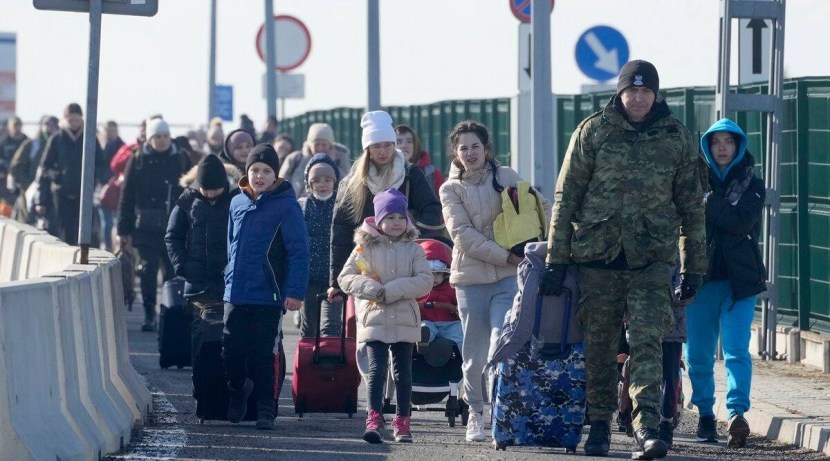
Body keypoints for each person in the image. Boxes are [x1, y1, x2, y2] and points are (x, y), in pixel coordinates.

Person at [540, 59, 706, 459]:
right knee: (599, 349)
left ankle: (648, 427)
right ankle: (598, 426)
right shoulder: (593, 131)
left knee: (648, 342)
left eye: (645, 91)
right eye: (631, 91)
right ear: (619, 92)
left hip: (650, 261)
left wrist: (694, 266)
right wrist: (556, 258)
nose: (638, 98)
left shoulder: (676, 138)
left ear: (656, 94)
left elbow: (692, 208)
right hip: (598, 259)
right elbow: (566, 197)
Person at [439, 120, 551, 443]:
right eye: (463, 148)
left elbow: (538, 208)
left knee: (502, 342)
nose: (470, 153)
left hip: (507, 278)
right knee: (473, 353)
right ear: (456, 154)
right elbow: (463, 237)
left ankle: (502, 411)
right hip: (470, 279)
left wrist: (557, 231)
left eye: (476, 146)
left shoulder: (507, 177)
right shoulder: (450, 189)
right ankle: (475, 411)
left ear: (487, 149)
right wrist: (507, 256)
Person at [684, 118, 766, 449]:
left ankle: (736, 414)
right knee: (699, 354)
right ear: (707, 147)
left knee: (735, 350)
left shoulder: (752, 184)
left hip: (739, 283)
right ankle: (705, 413)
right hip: (699, 281)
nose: (721, 147)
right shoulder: (690, 183)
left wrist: (706, 201)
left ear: (738, 146)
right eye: (715, 142)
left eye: (728, 142)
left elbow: (739, 221)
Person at [223, 144, 309, 430]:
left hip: (269, 295)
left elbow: (299, 251)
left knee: (264, 354)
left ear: (275, 175)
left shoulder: (287, 206)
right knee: (231, 351)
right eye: (255, 170)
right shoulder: (237, 202)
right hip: (236, 292)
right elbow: (231, 245)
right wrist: (228, 277)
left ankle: (265, 408)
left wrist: (295, 291)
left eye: (266, 171)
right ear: (247, 173)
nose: (259, 176)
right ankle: (237, 389)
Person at [338, 188, 433, 444]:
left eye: (400, 217)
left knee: (403, 372)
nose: (396, 223)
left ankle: (402, 421)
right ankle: (374, 417)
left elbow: (425, 280)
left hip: (404, 318)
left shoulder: (414, 249)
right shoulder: (364, 248)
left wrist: (391, 291)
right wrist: (372, 290)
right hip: (375, 318)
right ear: (378, 220)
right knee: (377, 370)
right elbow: (346, 277)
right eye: (390, 217)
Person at [329, 111, 444, 302]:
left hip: (404, 264)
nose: (382, 151)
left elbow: (431, 208)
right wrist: (335, 282)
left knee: (404, 321)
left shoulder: (409, 174)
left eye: (388, 145)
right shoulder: (353, 183)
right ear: (367, 149)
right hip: (367, 267)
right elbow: (340, 232)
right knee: (369, 324)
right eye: (376, 146)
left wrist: (416, 240)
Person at [117, 117, 192, 332]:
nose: (161, 140)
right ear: (149, 138)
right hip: (145, 229)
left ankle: (169, 313)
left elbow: (192, 190)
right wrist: (123, 230)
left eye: (165, 136)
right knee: (148, 271)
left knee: (172, 273)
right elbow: (127, 195)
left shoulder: (180, 158)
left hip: (174, 227)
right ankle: (149, 313)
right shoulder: (138, 159)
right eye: (157, 137)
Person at [165, 154, 237, 363]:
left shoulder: (237, 200)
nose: (211, 194)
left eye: (216, 189)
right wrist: (182, 267)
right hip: (198, 283)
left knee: (229, 333)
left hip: (229, 282)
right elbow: (173, 236)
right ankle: (203, 381)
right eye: (207, 190)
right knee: (202, 333)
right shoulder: (187, 201)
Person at [36, 103, 106, 245]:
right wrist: (42, 199)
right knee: (63, 233)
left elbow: (101, 164)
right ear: (65, 120)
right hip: (61, 195)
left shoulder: (90, 138)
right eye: (71, 120)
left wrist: (93, 181)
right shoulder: (57, 139)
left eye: (77, 120)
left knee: (86, 234)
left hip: (84, 196)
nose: (74, 124)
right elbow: (44, 169)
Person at [297, 153, 342, 338]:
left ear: (335, 182)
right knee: (309, 326)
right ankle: (307, 364)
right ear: (309, 183)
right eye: (316, 180)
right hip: (309, 277)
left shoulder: (341, 206)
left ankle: (331, 363)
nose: (322, 185)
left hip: (334, 278)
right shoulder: (302, 206)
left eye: (327, 180)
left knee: (331, 327)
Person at [415, 238, 462, 353]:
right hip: (427, 321)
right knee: (424, 327)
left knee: (460, 332)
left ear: (445, 275)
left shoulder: (451, 288)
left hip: (448, 322)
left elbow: (459, 303)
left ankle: (467, 360)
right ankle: (423, 339)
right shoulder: (417, 289)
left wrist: (459, 310)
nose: (434, 278)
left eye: (438, 274)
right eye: (430, 274)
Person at [9, 115, 59, 224]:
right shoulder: (32, 145)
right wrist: (28, 185)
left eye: (53, 125)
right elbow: (16, 167)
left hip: (54, 196)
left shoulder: (60, 146)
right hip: (29, 194)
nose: (49, 128)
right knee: (27, 224)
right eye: (46, 125)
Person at [280, 123, 351, 198]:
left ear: (330, 145)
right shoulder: (295, 159)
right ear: (310, 145)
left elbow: (346, 184)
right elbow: (281, 184)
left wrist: (332, 163)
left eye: (324, 145)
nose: (320, 148)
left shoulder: (340, 159)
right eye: (316, 144)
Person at [395, 124, 443, 196]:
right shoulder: (383, 172)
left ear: (416, 145)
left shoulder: (433, 174)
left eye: (409, 141)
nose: (404, 146)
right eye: (398, 142)